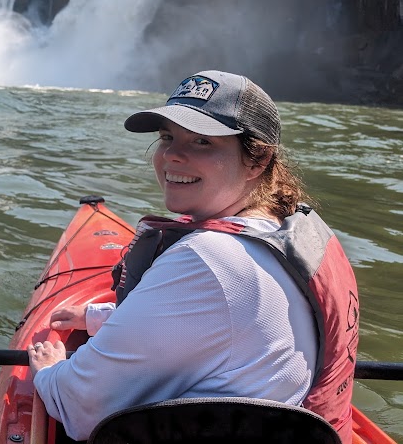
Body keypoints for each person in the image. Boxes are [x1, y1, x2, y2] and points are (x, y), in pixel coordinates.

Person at [28, 69, 359, 443]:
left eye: (202, 141)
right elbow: (235, 323)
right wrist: (101, 316)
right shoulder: (288, 228)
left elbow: (79, 406)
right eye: (168, 137)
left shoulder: (208, 259)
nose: (172, 155)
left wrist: (49, 372)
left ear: (258, 160)